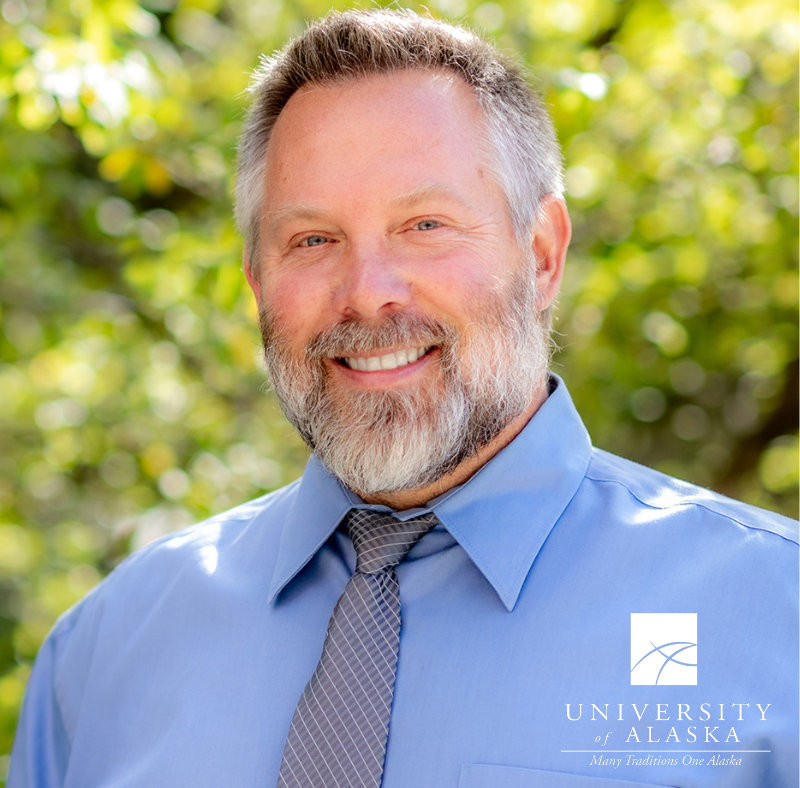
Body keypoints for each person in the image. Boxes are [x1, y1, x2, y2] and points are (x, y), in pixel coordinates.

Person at [9, 9, 798, 788]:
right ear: (256, 282)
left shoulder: (773, 619)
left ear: (542, 255)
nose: (367, 294)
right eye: (313, 240)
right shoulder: (106, 651)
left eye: (424, 224)